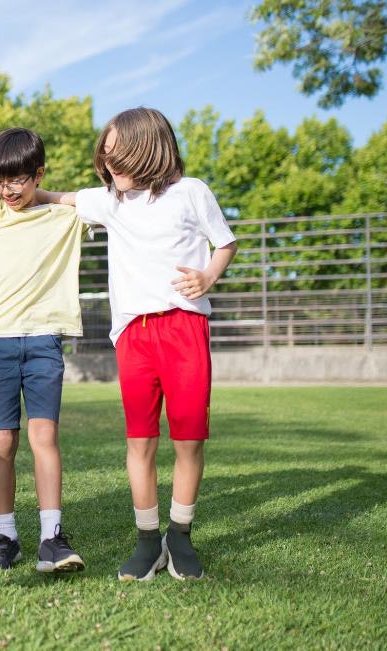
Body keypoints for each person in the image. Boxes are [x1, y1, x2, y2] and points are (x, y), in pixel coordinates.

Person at [51, 107, 238, 580]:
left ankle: (180, 536)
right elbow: (55, 196)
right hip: (133, 334)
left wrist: (209, 275)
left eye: (119, 155)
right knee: (140, 440)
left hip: (184, 327)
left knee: (189, 438)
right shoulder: (111, 202)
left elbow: (225, 243)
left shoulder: (192, 192)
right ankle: (148, 541)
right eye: (106, 156)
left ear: (149, 148)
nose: (109, 165)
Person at [0, 128, 88, 574]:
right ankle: (6, 535)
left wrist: (42, 193)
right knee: (1, 441)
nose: (9, 190)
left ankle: (52, 537)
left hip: (44, 339)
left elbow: (99, 199)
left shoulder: (64, 217)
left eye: (18, 181)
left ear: (38, 174)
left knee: (43, 436)